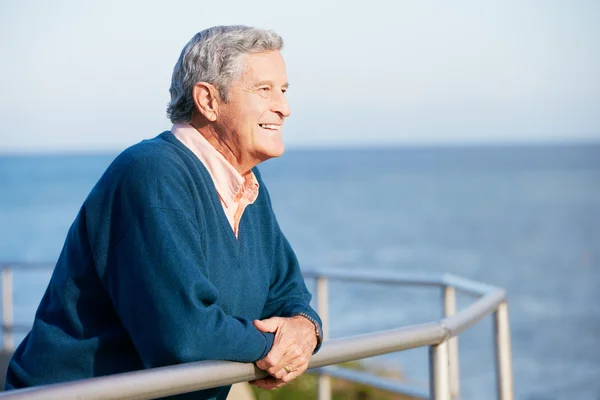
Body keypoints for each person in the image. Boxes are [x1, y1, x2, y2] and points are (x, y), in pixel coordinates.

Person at [4, 25, 322, 400]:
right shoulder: (152, 174)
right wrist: (274, 349)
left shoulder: (247, 185)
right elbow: (184, 334)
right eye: (264, 90)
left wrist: (305, 329)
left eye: (283, 91)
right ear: (208, 100)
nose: (284, 107)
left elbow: (286, 291)